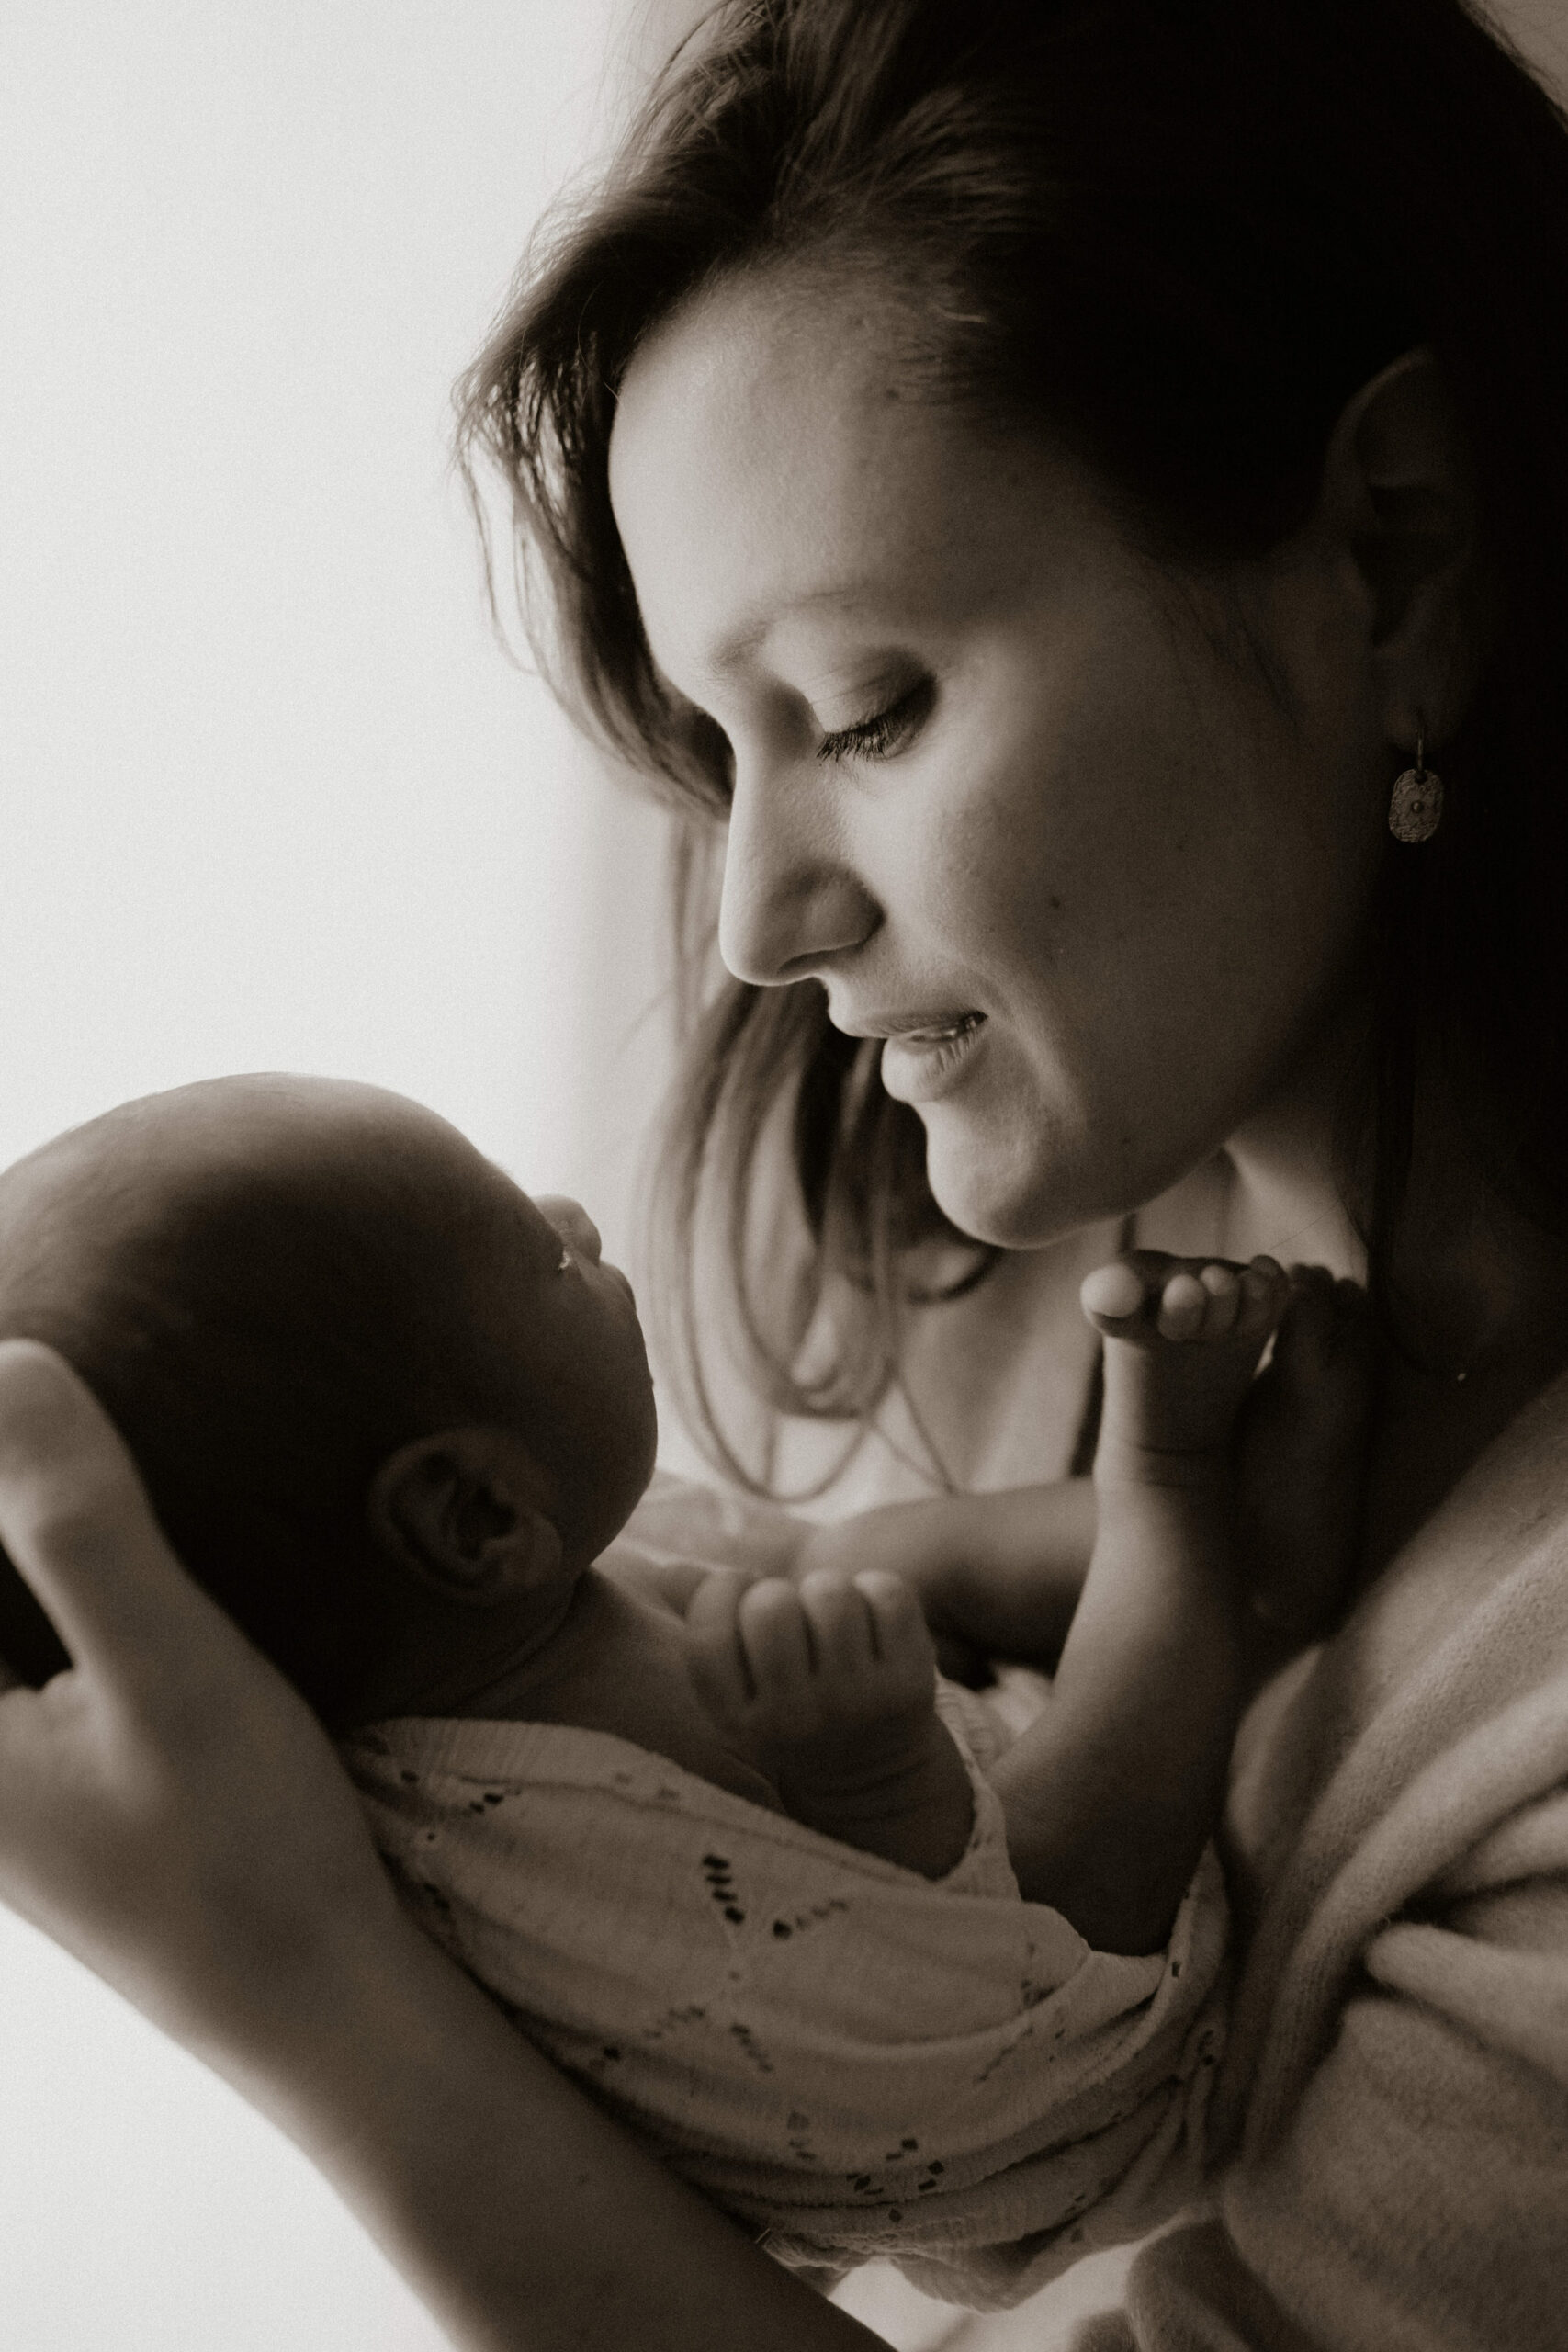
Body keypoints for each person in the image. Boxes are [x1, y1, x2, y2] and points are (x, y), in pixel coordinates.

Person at [3, 0, 1567, 2343]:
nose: (755, 921)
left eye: (864, 710)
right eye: (717, 752)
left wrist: (301, 1979)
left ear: (1391, 553)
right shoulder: (1060, 1290)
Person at [0, 1070, 1359, 2304]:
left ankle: (1188, 1570)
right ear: (476, 1517)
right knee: (1066, 1829)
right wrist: (873, 1776)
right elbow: (915, 2000)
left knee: (856, 1559)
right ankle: (1192, 1524)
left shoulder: (491, 1614)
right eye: (544, 1258)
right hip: (1073, 2067)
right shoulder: (564, 1811)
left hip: (944, 1912)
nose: (573, 1216)